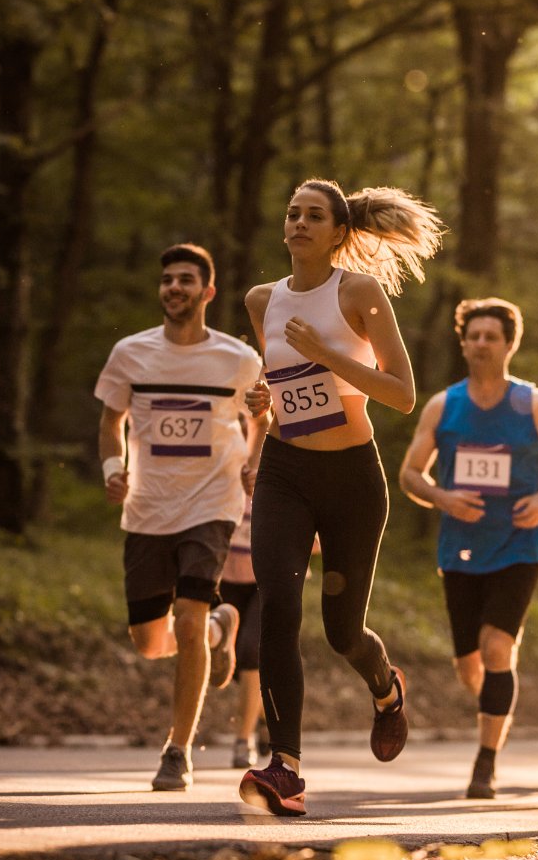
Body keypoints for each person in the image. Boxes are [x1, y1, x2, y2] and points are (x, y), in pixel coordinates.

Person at [237, 178, 445, 817]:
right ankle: (286, 767)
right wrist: (262, 408)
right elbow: (279, 384)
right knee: (276, 603)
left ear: (338, 232)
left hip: (352, 479)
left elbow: (402, 393)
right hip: (284, 473)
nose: (299, 223)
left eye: (314, 216)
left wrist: (327, 354)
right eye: (292, 213)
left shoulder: (358, 292)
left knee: (342, 630)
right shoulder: (260, 299)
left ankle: (385, 689)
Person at [399, 298, 538, 800]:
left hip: (519, 545)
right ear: (463, 344)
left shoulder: (536, 404)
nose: (481, 344)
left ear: (509, 345)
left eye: (491, 337)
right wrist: (442, 496)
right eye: (474, 337)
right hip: (460, 549)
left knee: (497, 646)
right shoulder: (445, 405)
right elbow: (409, 473)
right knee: (469, 665)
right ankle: (496, 707)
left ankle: (485, 763)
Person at [95, 243, 265, 792]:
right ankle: (223, 628)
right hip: (147, 508)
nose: (174, 288)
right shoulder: (131, 353)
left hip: (212, 506)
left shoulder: (237, 359)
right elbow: (111, 419)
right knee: (150, 641)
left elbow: (261, 415)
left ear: (207, 292)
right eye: (167, 279)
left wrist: (253, 462)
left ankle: (178, 750)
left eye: (186, 280)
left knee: (187, 618)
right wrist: (112, 468)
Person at [214, 493, 265, 768]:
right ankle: (268, 716)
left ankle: (243, 740)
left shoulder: (283, 455)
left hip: (265, 579)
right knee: (230, 663)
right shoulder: (226, 456)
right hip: (225, 578)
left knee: (250, 651)